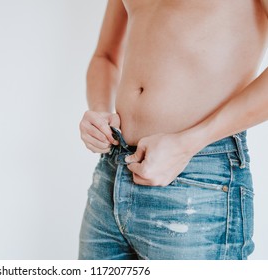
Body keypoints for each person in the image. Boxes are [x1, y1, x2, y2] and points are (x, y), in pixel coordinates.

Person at [78, 0, 268, 260]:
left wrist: (187, 144)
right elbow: (106, 56)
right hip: (112, 173)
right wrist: (99, 111)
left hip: (199, 179)